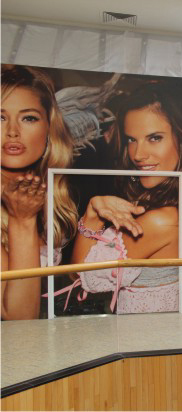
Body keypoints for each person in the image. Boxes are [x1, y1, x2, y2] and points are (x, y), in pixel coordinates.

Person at [71, 82, 182, 314]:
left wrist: (91, 215)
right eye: (131, 139)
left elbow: (79, 276)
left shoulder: (161, 221)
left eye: (154, 138)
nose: (138, 154)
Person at [1, 64, 77, 320]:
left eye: (29, 118)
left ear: (49, 128)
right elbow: (20, 319)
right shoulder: (23, 209)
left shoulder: (56, 195)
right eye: (0, 117)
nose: (12, 131)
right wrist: (22, 220)